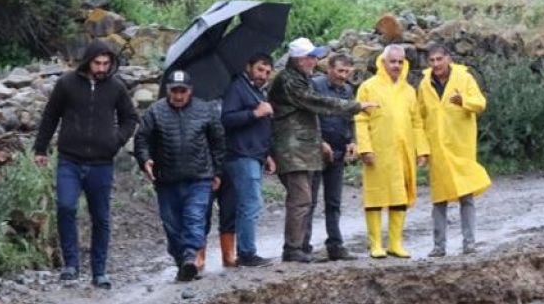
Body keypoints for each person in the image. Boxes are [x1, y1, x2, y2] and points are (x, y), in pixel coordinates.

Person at [32, 39, 139, 289]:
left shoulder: (116, 87)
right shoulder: (67, 83)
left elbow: (130, 117)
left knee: (100, 217)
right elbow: (51, 115)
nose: (101, 68)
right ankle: (71, 264)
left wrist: (116, 140)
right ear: (88, 61)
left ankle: (99, 271)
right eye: (97, 63)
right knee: (66, 207)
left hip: (102, 162)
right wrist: (41, 148)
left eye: (106, 63)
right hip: (70, 159)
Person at [268, 37, 376, 263]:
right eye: (311, 57)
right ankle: (294, 249)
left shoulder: (299, 78)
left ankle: (299, 247)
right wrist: (355, 106)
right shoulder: (291, 81)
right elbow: (316, 102)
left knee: (306, 199)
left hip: (304, 148)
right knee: (302, 199)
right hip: (292, 148)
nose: (315, 60)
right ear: (299, 59)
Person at [134, 70, 226, 282]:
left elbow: (218, 142)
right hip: (166, 179)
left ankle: (190, 257)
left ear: (190, 91)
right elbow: (142, 139)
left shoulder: (206, 110)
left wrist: (217, 171)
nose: (178, 96)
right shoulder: (155, 112)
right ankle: (182, 262)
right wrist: (145, 159)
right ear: (168, 91)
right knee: (172, 225)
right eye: (174, 91)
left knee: (195, 218)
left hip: (199, 177)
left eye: (182, 91)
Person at [355, 44, 429, 258]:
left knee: (400, 196)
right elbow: (360, 119)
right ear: (383, 62)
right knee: (375, 196)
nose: (396, 65)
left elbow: (416, 123)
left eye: (400, 61)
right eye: (392, 61)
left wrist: (421, 150)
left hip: (403, 152)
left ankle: (395, 243)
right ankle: (376, 244)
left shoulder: (408, 91)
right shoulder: (369, 87)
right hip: (377, 151)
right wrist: (365, 148)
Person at [417, 43, 491, 256]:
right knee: (439, 198)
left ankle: (469, 243)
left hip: (460, 146)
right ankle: (439, 246)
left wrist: (463, 101)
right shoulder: (425, 84)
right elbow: (420, 118)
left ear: (448, 59)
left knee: (465, 196)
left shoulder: (464, 78)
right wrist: (422, 149)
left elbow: (480, 103)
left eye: (439, 59)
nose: (436, 64)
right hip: (437, 148)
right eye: (432, 61)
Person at [220, 52, 277, 268]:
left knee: (248, 203)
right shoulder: (237, 87)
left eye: (267, 72)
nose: (263, 75)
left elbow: (261, 130)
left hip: (255, 155)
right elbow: (226, 119)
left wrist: (267, 154)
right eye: (260, 69)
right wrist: (255, 113)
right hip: (241, 155)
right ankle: (246, 253)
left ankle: (245, 251)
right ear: (248, 67)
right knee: (250, 204)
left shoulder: (257, 91)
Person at [305, 53, 358, 261]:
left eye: (346, 72)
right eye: (339, 71)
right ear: (329, 69)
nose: (343, 76)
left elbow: (350, 118)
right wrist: (319, 141)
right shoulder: (316, 86)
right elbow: (310, 116)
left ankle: (335, 245)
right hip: (317, 152)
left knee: (334, 201)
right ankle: (303, 246)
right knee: (309, 201)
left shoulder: (347, 90)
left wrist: (352, 141)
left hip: (338, 152)